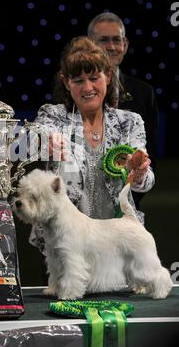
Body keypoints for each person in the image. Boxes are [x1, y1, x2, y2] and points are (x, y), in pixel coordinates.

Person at [29, 36, 154, 256]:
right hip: (66, 244)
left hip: (118, 242)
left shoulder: (129, 121)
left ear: (107, 76)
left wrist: (141, 172)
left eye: (94, 78)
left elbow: (145, 184)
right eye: (78, 80)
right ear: (66, 82)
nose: (88, 87)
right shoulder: (53, 115)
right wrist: (43, 142)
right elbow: (36, 135)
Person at [87, 12, 159, 209]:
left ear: (125, 45)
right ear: (89, 45)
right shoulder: (73, 91)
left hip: (126, 207)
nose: (111, 46)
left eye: (116, 40)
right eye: (103, 40)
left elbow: (150, 156)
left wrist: (127, 201)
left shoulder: (144, 93)